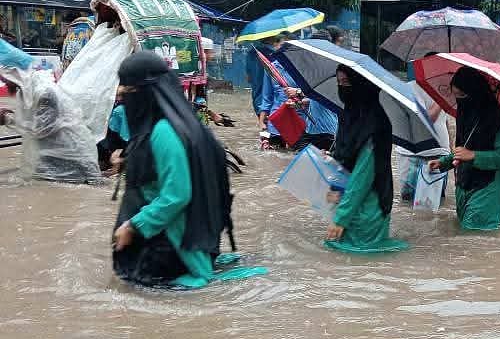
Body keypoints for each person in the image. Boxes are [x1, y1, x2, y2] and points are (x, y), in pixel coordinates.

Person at [111, 52, 264, 288]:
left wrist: (133, 226)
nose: (121, 95)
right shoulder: (167, 125)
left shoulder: (164, 132)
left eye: (127, 92)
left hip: (168, 246)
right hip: (163, 239)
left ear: (147, 93)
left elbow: (177, 195)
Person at [324, 68, 407, 254]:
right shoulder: (350, 116)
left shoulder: (375, 124)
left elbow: (362, 177)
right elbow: (345, 157)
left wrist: (340, 219)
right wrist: (335, 187)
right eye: (339, 83)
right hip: (348, 207)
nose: (342, 88)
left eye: (346, 82)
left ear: (361, 85)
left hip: (368, 213)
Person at [0, 39, 101, 184]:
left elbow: (41, 129)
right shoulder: (24, 91)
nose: (3, 80)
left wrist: (8, 118)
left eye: (4, 75)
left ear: (14, 72)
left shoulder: (44, 92)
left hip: (72, 156)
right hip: (50, 155)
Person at [428, 66, 500, 231]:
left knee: (474, 238)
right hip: (463, 184)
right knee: (462, 236)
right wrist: (444, 162)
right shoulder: (465, 114)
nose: (459, 100)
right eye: (456, 96)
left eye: (463, 95)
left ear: (476, 93)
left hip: (487, 189)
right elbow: (463, 149)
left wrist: (474, 155)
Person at [258, 54, 339, 150]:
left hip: (316, 128)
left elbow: (319, 96)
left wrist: (298, 92)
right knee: (280, 155)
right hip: (284, 123)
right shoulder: (273, 68)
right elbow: (267, 98)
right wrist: (262, 124)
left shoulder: (315, 73)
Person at [98, 88, 131, 171]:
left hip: (119, 142)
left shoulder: (119, 110)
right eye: (116, 95)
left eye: (119, 96)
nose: (117, 98)